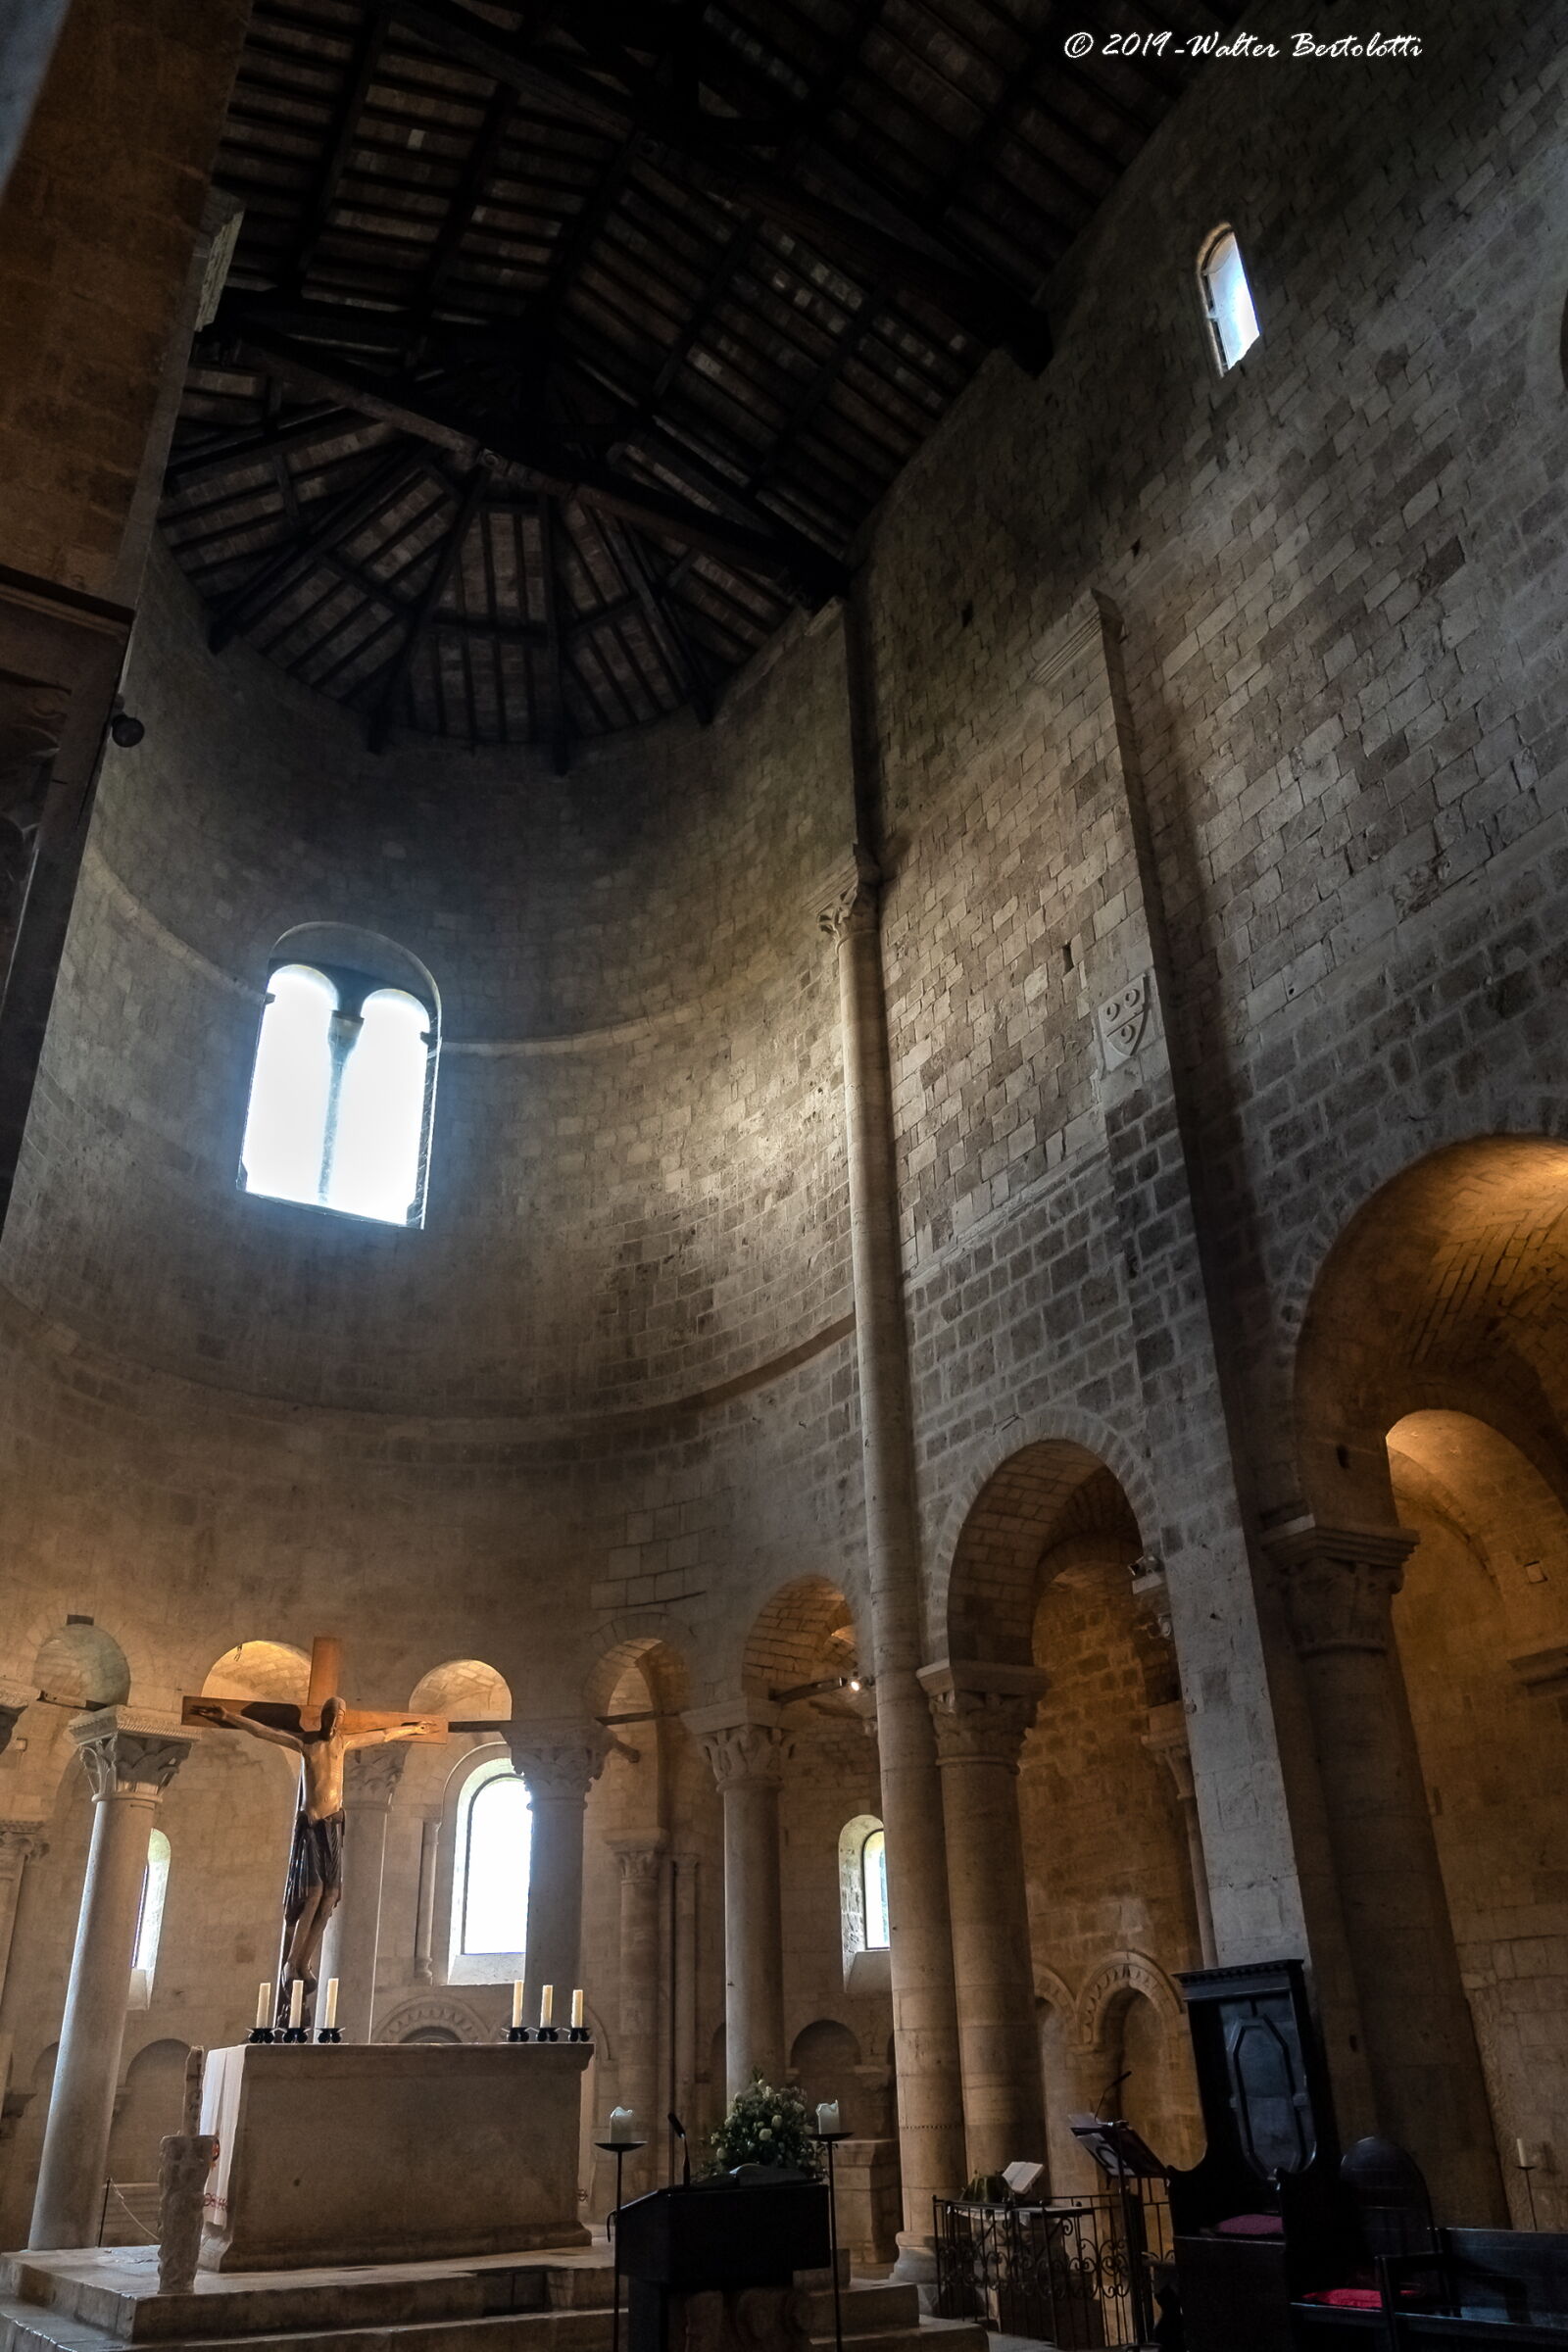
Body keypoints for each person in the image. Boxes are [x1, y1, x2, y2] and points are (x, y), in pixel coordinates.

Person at [190, 1694, 426, 2022]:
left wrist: (411, 1728)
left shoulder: (344, 1744)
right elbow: (263, 1732)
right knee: (313, 1892)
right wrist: (228, 1716)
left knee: (331, 1895)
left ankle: (304, 1962)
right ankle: (292, 1962)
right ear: (323, 1717)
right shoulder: (306, 1743)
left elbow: (382, 1735)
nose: (336, 1722)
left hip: (334, 1826)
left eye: (340, 1717)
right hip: (313, 1825)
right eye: (331, 1716)